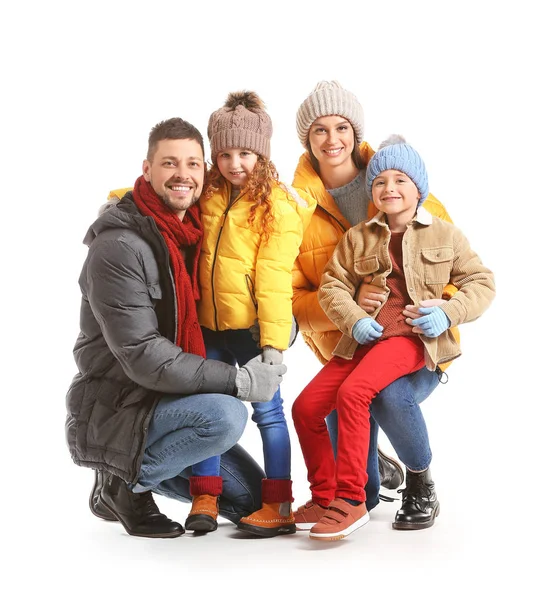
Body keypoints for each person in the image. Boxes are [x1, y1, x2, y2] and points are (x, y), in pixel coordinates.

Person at [66, 117, 287, 539]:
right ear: (147, 170)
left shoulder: (194, 235)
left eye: (193, 164)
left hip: (173, 403)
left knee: (252, 501)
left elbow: (243, 294)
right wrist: (240, 380)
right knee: (225, 417)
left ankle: (143, 470)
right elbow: (144, 355)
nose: (182, 175)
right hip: (123, 407)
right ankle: (121, 482)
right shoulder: (118, 247)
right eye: (169, 163)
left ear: (204, 172)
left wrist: (280, 329)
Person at [292, 135, 495, 540]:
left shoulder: (445, 235)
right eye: (380, 181)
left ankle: (351, 500)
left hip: (410, 338)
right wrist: (353, 319)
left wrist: (447, 312)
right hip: (363, 339)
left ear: (418, 187)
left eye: (400, 179)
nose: (390, 189)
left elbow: (482, 282)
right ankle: (327, 492)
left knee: (355, 394)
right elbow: (332, 287)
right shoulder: (359, 237)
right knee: (307, 407)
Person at [184, 91, 315, 537]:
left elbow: (275, 277)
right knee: (211, 407)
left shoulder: (277, 206)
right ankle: (205, 494)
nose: (234, 163)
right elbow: (169, 190)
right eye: (224, 153)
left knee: (269, 413)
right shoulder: (209, 191)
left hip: (255, 329)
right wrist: (117, 200)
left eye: (245, 153)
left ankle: (279, 504)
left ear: (262, 153)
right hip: (210, 324)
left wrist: (273, 346)